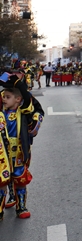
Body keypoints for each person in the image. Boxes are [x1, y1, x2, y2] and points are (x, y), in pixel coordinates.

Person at [0, 72, 44, 219]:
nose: (4, 99)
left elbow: (27, 100)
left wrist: (19, 84)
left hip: (18, 153)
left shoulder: (22, 112)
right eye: (3, 97)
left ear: (18, 99)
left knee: (20, 180)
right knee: (2, 182)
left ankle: (21, 207)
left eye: (8, 97)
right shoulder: (2, 113)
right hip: (3, 155)